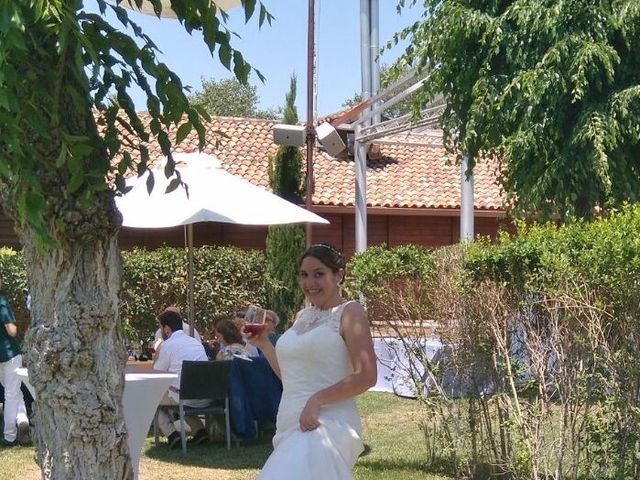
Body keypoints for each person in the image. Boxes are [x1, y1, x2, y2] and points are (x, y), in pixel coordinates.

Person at [246, 243, 377, 479]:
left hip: (325, 425)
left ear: (339, 275)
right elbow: (292, 377)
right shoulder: (302, 316)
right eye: (304, 275)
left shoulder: (350, 312)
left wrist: (316, 401)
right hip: (290, 420)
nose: (310, 283)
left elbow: (366, 376)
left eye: (319, 274)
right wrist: (265, 344)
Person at [152, 309, 209, 448]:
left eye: (161, 327)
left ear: (166, 328)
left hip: (184, 396)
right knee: (178, 394)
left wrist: (157, 355)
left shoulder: (168, 345)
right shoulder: (195, 343)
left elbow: (157, 372)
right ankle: (199, 431)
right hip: (205, 395)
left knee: (151, 399)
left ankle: (171, 434)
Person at [0, 279, 30, 446]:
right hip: (10, 353)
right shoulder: (1, 300)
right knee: (11, 393)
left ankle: (22, 419)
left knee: (13, 391)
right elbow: (11, 330)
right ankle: (9, 435)